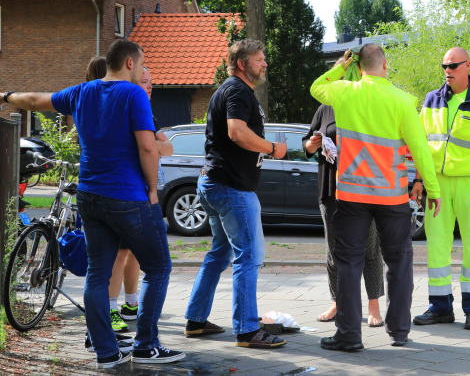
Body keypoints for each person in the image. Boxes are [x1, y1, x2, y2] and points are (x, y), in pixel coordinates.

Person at [2, 40, 184, 368]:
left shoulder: (81, 92)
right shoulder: (134, 95)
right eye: (142, 65)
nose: (143, 71)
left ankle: (106, 352)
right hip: (128, 197)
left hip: (89, 195)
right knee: (158, 268)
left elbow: (33, 100)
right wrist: (154, 192)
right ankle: (146, 345)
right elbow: (147, 148)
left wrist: (4, 96)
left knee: (97, 273)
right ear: (129, 63)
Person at [309, 43, 441, 351]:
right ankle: (399, 331)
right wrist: (431, 189)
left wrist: (342, 65)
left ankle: (349, 336)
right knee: (399, 261)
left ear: (358, 65)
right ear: (385, 66)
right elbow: (420, 149)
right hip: (392, 195)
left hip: (352, 194)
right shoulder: (402, 100)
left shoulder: (344, 92)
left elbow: (317, 86)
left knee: (348, 262)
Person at [183, 39, 289, 349]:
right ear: (242, 64)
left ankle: (196, 321)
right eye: (259, 59)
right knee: (249, 256)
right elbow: (236, 131)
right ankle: (247, 331)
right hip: (231, 188)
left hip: (213, 183)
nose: (264, 64)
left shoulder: (228, 90)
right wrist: (272, 148)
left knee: (219, 253)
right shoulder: (238, 91)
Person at [414, 47, 470, 331]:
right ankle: (440, 309)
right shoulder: (432, 100)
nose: (447, 71)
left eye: (453, 65)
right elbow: (421, 144)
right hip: (437, 184)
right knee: (436, 246)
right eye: (444, 66)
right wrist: (419, 180)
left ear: (467, 65)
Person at [302, 98, 386, 326]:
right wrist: (314, 143)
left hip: (362, 189)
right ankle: (337, 303)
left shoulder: (366, 104)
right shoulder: (324, 109)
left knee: (370, 247)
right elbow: (307, 148)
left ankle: (373, 305)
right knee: (333, 250)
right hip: (330, 189)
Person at [108, 66, 174, 329]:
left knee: (135, 252)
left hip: (145, 193)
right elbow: (147, 147)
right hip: (127, 192)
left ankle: (131, 304)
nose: (149, 86)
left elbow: (167, 147)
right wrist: (148, 145)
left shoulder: (148, 113)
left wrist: (149, 145)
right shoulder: (124, 108)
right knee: (120, 253)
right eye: (144, 81)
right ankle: (111, 310)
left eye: (151, 82)